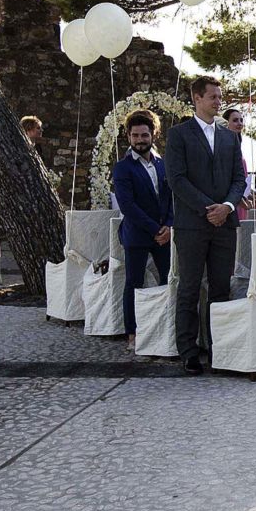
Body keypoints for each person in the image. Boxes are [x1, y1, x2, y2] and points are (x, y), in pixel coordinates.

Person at [164, 75, 246, 374]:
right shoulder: (178, 135)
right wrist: (206, 208)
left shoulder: (229, 137)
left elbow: (239, 178)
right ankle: (188, 350)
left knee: (221, 288)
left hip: (224, 224)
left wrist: (226, 207)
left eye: (219, 96)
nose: (218, 101)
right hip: (192, 225)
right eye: (213, 96)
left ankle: (219, 346)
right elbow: (177, 179)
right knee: (189, 287)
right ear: (197, 98)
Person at [112, 110, 173, 348]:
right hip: (137, 235)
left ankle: (165, 327)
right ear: (128, 136)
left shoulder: (163, 164)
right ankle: (133, 333)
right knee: (134, 283)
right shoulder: (122, 168)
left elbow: (170, 199)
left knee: (169, 279)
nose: (140, 140)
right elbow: (128, 205)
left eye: (144, 135)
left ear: (153, 135)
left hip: (165, 235)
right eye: (135, 135)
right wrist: (155, 229)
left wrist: (168, 225)